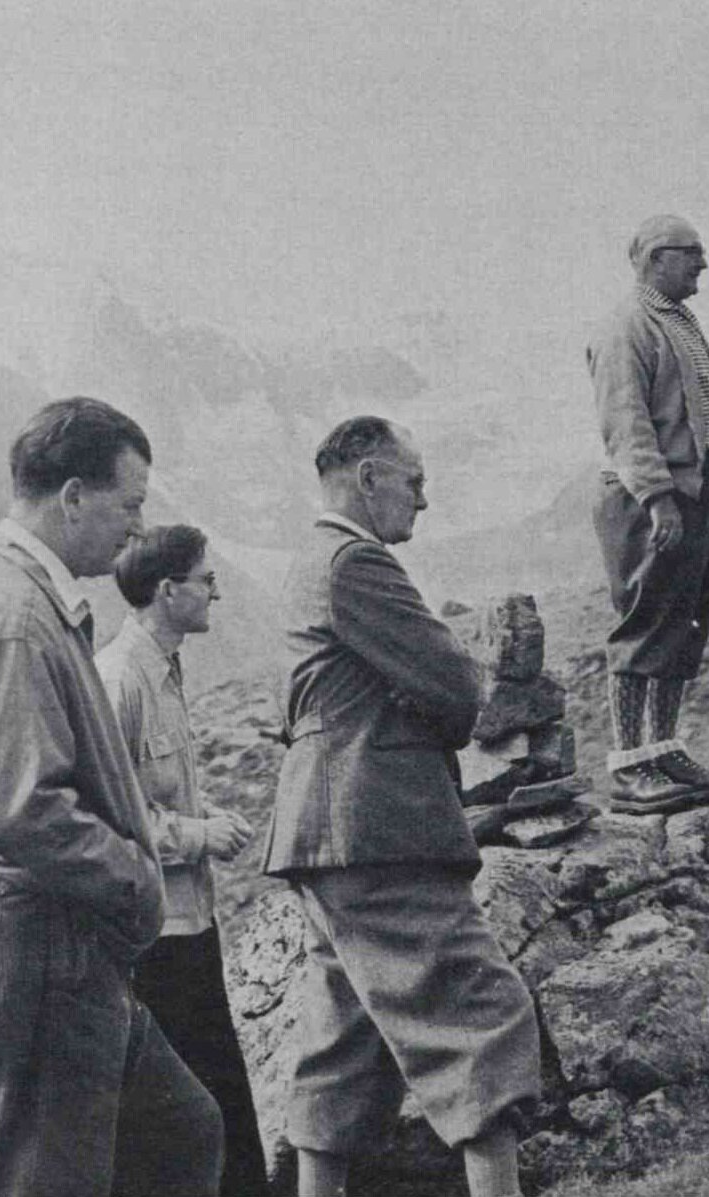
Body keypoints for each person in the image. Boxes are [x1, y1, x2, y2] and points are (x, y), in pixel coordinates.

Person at [0, 397, 222, 1197]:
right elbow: (24, 807)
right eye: (129, 504)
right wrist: (135, 879)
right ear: (73, 495)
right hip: (33, 932)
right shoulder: (11, 613)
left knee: (182, 1128)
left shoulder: (17, 597)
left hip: (45, 936)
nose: (136, 527)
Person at [261, 416, 541, 1197]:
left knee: (342, 1041)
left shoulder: (306, 563)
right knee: (482, 1013)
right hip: (376, 828)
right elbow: (457, 688)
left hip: (325, 835)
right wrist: (428, 695)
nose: (424, 499)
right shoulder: (356, 563)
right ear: (369, 477)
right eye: (414, 482)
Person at [96, 524, 269, 1197]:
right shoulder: (118, 680)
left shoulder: (162, 670)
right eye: (204, 579)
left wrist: (204, 820)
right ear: (168, 591)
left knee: (222, 1105)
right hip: (153, 939)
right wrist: (199, 835)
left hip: (192, 926)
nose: (215, 590)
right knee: (182, 1123)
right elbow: (111, 816)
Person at [587, 214, 709, 813]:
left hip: (703, 492)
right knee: (647, 624)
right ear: (656, 258)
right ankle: (630, 765)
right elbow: (627, 426)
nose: (703, 264)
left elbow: (676, 413)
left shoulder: (677, 321)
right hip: (653, 502)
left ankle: (662, 751)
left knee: (684, 622)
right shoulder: (627, 327)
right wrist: (658, 501)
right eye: (692, 254)